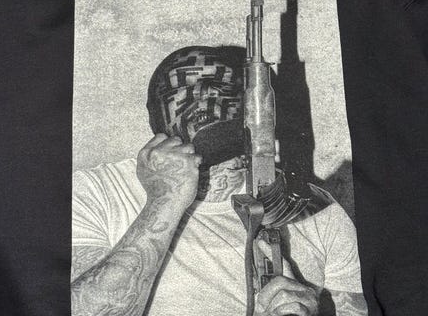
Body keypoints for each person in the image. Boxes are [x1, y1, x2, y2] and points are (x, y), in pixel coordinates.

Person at [71, 46, 368, 316]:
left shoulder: (314, 209)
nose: (206, 98)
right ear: (157, 117)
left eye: (221, 88)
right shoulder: (98, 193)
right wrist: (165, 201)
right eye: (184, 91)